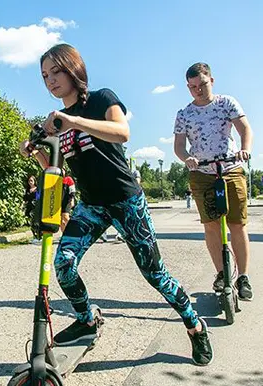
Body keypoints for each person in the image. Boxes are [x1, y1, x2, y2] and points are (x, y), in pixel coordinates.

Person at [19, 44, 212, 366]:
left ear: (73, 70)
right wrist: (36, 152)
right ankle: (87, 318)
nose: (50, 80)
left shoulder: (100, 99)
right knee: (64, 265)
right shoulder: (58, 123)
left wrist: (73, 122)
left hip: (125, 201)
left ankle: (194, 325)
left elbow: (122, 133)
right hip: (91, 206)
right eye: (44, 76)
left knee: (154, 274)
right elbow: (59, 171)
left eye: (56, 72)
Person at [173, 62, 254, 301]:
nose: (198, 90)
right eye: (192, 86)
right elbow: (179, 146)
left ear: (212, 81)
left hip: (230, 167)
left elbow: (244, 129)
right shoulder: (184, 114)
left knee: (237, 224)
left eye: (202, 84)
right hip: (203, 173)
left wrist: (244, 150)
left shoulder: (226, 103)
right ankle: (222, 273)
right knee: (211, 225)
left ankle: (243, 277)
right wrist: (187, 158)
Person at [60, 169, 76, 233]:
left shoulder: (68, 179)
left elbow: (72, 190)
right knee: (60, 220)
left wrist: (72, 199)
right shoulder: (56, 180)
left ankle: (72, 232)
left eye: (62, 170)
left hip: (67, 201)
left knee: (66, 217)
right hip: (58, 202)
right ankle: (64, 234)